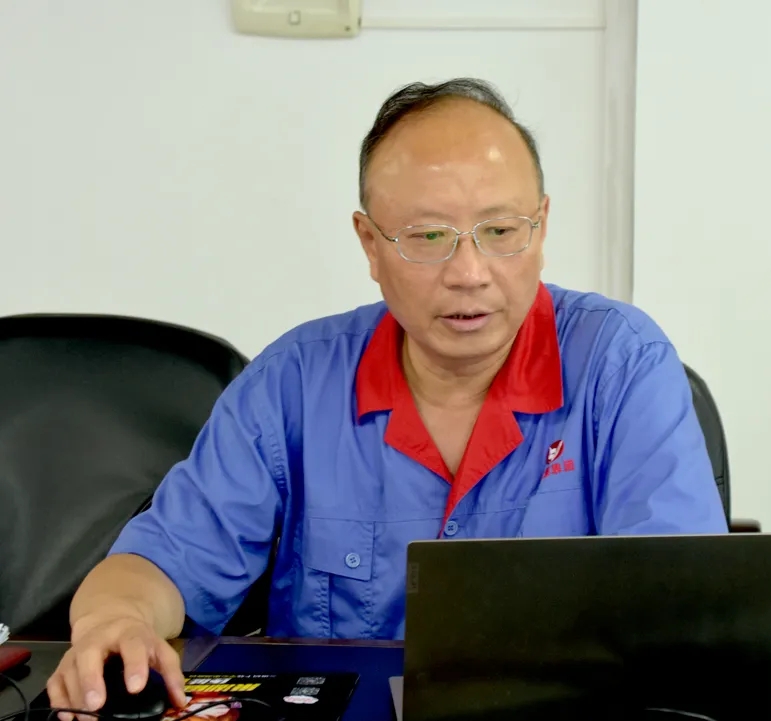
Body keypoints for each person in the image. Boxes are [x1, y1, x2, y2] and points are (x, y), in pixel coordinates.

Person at [47, 77, 727, 717]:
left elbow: (680, 614)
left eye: (500, 232)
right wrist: (117, 620)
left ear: (541, 228)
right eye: (428, 237)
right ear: (370, 244)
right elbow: (158, 564)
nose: (469, 273)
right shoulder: (293, 384)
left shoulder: (620, 365)